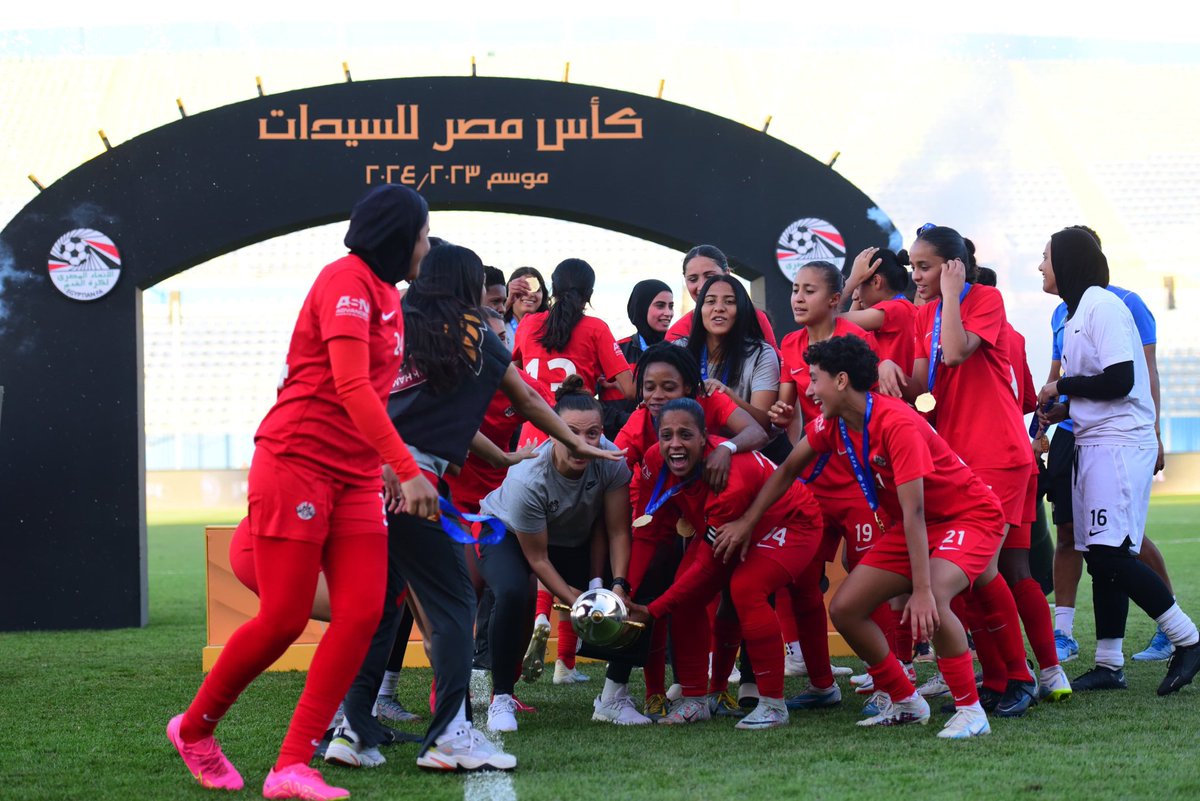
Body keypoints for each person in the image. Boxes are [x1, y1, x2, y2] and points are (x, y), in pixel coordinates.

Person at [166, 184, 437, 800]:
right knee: (285, 617)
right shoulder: (345, 280)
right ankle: (195, 729)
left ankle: (293, 766)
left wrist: (385, 465)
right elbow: (349, 385)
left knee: (366, 611)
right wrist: (405, 463)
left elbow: (368, 393)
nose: (426, 243)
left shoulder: (389, 298)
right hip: (296, 462)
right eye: (422, 232)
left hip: (356, 475)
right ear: (400, 235)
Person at [347, 244, 621, 772]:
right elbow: (529, 400)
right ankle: (449, 734)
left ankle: (350, 727)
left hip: (356, 478)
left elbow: (367, 397)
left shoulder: (391, 323)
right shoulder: (477, 332)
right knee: (452, 608)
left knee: (381, 606)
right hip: (411, 482)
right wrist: (577, 441)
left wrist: (503, 454)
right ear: (469, 289)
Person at [719, 335, 1008, 739]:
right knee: (846, 608)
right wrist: (748, 522)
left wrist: (921, 590)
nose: (810, 389)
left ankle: (970, 710)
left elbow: (915, 511)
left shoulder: (897, 423)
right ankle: (905, 700)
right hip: (920, 526)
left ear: (840, 381)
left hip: (970, 517)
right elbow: (785, 471)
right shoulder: (834, 423)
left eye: (815, 379)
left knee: (937, 600)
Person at [876, 224, 1040, 717]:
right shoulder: (923, 312)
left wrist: (951, 294)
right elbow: (924, 382)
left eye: (925, 267)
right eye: (913, 267)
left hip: (997, 453)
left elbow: (955, 351)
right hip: (955, 457)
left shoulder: (982, 298)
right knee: (971, 577)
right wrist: (887, 367)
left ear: (953, 266)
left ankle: (1019, 677)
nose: (916, 276)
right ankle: (998, 678)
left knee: (980, 570)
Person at [1035, 228, 1200, 694]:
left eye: (1046, 257)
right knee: (1100, 554)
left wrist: (1061, 388)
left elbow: (1122, 379)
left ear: (1067, 262)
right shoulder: (1075, 312)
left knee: (1110, 552)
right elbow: (1100, 390)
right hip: (1095, 440)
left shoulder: (1103, 306)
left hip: (1119, 445)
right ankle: (1109, 664)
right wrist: (1061, 408)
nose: (1041, 266)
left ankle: (1187, 638)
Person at [626, 397, 823, 729]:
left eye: (685, 435)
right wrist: (624, 589)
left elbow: (708, 565)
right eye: (666, 435)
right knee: (686, 598)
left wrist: (652, 610)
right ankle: (694, 700)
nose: (675, 444)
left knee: (745, 589)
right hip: (728, 529)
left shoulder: (727, 475)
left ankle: (774, 704)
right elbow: (648, 532)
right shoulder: (653, 462)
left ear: (705, 438)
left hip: (790, 522)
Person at [607, 344, 768, 716]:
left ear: (691, 389)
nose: (657, 396)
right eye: (649, 387)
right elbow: (615, 464)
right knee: (652, 588)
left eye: (669, 387)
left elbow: (758, 432)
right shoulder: (639, 421)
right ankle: (639, 690)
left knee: (742, 589)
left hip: (718, 511)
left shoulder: (711, 402)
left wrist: (726, 446)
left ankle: (740, 685)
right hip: (659, 514)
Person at [477, 377, 640, 732]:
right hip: (505, 531)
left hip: (570, 537)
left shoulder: (610, 460)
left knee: (636, 581)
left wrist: (616, 586)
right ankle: (501, 696)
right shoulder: (528, 478)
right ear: (551, 431)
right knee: (513, 591)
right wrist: (579, 600)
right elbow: (537, 561)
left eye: (593, 433)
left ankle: (613, 697)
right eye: (571, 433)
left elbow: (616, 530)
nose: (582, 443)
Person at [768, 260, 876, 708]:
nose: (797, 298)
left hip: (860, 485)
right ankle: (821, 683)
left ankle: (891, 679)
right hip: (813, 485)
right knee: (800, 581)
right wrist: (779, 413)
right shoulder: (789, 344)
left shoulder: (857, 341)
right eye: (795, 289)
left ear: (835, 301)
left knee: (877, 579)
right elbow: (786, 407)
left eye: (808, 290)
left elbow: (878, 409)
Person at [675, 274, 780, 433]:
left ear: (742, 310)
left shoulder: (761, 354)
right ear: (700, 310)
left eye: (729, 301)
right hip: (691, 448)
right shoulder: (680, 350)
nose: (719, 308)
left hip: (745, 448)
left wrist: (727, 396)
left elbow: (764, 424)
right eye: (710, 301)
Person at [665, 245, 779, 349]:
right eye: (693, 279)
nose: (702, 286)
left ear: (727, 274)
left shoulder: (755, 319)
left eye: (709, 277)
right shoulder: (676, 333)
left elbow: (777, 366)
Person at [601, 279, 674, 440]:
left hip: (665, 446)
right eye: (660, 305)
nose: (668, 313)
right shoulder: (614, 350)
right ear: (641, 308)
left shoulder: (677, 354)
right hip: (616, 446)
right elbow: (591, 403)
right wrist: (625, 420)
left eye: (671, 306)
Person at [839, 246, 918, 371]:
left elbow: (827, 319)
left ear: (876, 282)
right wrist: (856, 296)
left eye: (858, 286)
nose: (855, 295)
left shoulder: (896, 309)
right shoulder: (898, 308)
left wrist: (851, 281)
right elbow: (846, 336)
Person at [503, 266, 549, 347]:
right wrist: (508, 303)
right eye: (523, 288)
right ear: (510, 292)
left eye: (536, 289)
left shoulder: (550, 328)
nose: (530, 294)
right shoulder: (500, 326)